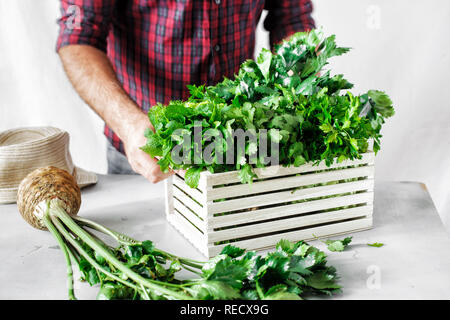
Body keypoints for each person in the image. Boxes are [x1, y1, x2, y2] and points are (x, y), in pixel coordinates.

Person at [56, 0, 315, 183]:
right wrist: (129, 124)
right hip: (150, 146)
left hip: (240, 142)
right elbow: (78, 38)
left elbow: (291, 17)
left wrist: (290, 97)